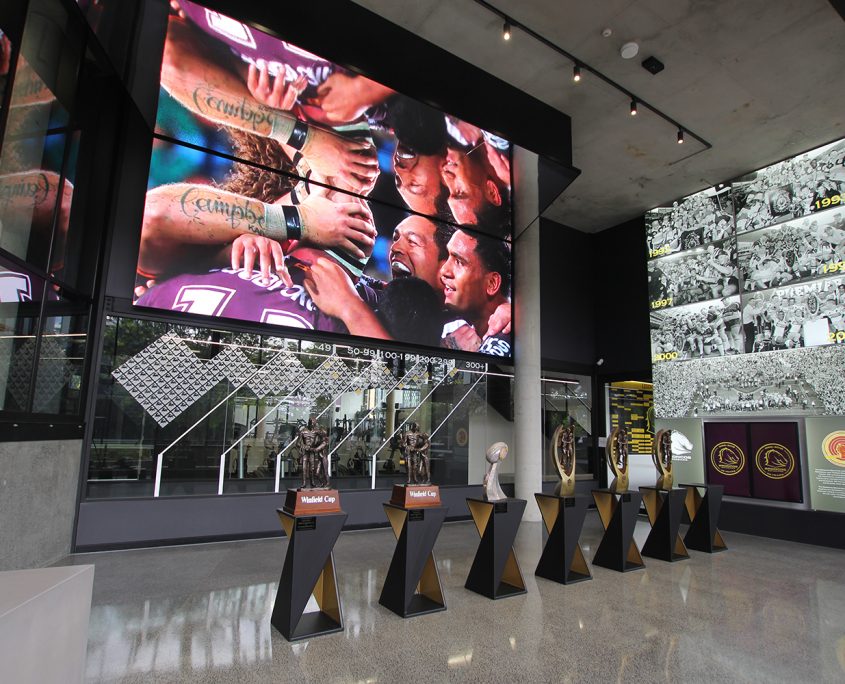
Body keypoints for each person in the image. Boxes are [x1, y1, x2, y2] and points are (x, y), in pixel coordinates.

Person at [439, 228, 512, 356]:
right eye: (447, 257)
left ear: (492, 283)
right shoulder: (448, 331)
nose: (444, 271)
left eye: (459, 261)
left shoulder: (523, 330)